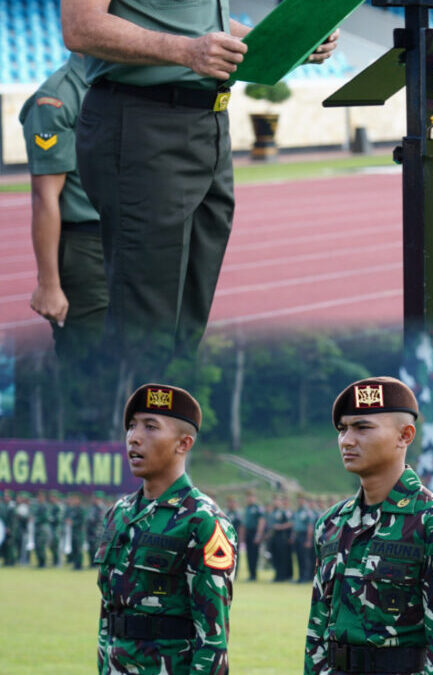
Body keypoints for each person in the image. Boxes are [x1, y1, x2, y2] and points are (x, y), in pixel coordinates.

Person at [61, 2, 339, 376]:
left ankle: (169, 426)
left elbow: (210, 25)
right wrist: (186, 51)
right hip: (145, 121)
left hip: (208, 122)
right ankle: (129, 428)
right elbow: (80, 27)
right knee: (145, 320)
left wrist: (293, 44)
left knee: (187, 323)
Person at [304, 376, 433, 674]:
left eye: (362, 427)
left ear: (405, 436)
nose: (347, 440)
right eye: (343, 429)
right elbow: (317, 632)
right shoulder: (331, 523)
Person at [95, 383, 236, 674]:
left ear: (183, 444)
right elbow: (108, 611)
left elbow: (213, 639)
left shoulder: (203, 520)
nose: (134, 438)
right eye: (132, 426)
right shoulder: (118, 514)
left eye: (150, 427)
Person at [18, 53, 108, 374]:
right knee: (87, 364)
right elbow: (45, 198)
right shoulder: (56, 98)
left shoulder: (123, 85)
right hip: (86, 250)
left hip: (131, 240)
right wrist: (49, 284)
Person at [242, 489, 266, 581]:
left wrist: (258, 535)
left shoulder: (257, 508)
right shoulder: (247, 508)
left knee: (254, 555)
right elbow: (244, 523)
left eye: (251, 497)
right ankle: (251, 574)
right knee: (249, 555)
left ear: (254, 498)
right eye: (247, 497)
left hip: (254, 533)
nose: (249, 499)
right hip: (248, 533)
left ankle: (254, 575)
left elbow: (261, 521)